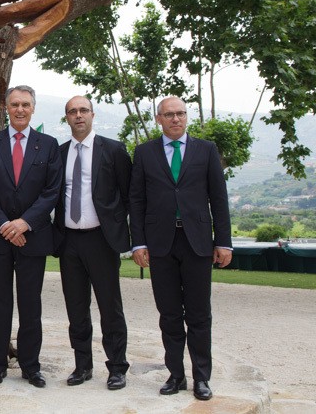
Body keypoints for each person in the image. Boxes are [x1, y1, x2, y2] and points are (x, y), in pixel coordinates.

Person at [130, 96, 233, 401]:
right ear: (158, 119)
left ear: (186, 117)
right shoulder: (144, 153)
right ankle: (175, 375)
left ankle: (202, 377)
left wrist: (223, 241)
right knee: (170, 314)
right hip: (160, 244)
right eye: (169, 114)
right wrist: (138, 242)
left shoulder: (206, 150)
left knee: (199, 314)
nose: (176, 119)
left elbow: (219, 198)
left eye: (181, 114)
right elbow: (136, 200)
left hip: (197, 242)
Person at [0, 85, 62, 388]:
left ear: (33, 108)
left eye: (25, 104)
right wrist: (5, 225)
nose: (20, 109)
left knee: (30, 305)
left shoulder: (48, 145)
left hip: (33, 237)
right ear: (6, 108)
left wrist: (24, 223)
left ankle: (30, 366)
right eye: (15, 104)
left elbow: (52, 191)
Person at [53, 96, 131, 391]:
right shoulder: (59, 153)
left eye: (83, 110)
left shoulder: (113, 150)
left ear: (92, 114)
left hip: (102, 239)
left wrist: (123, 231)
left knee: (110, 307)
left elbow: (128, 195)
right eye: (72, 111)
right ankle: (82, 365)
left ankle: (117, 367)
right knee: (76, 308)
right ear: (67, 118)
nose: (78, 115)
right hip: (69, 240)